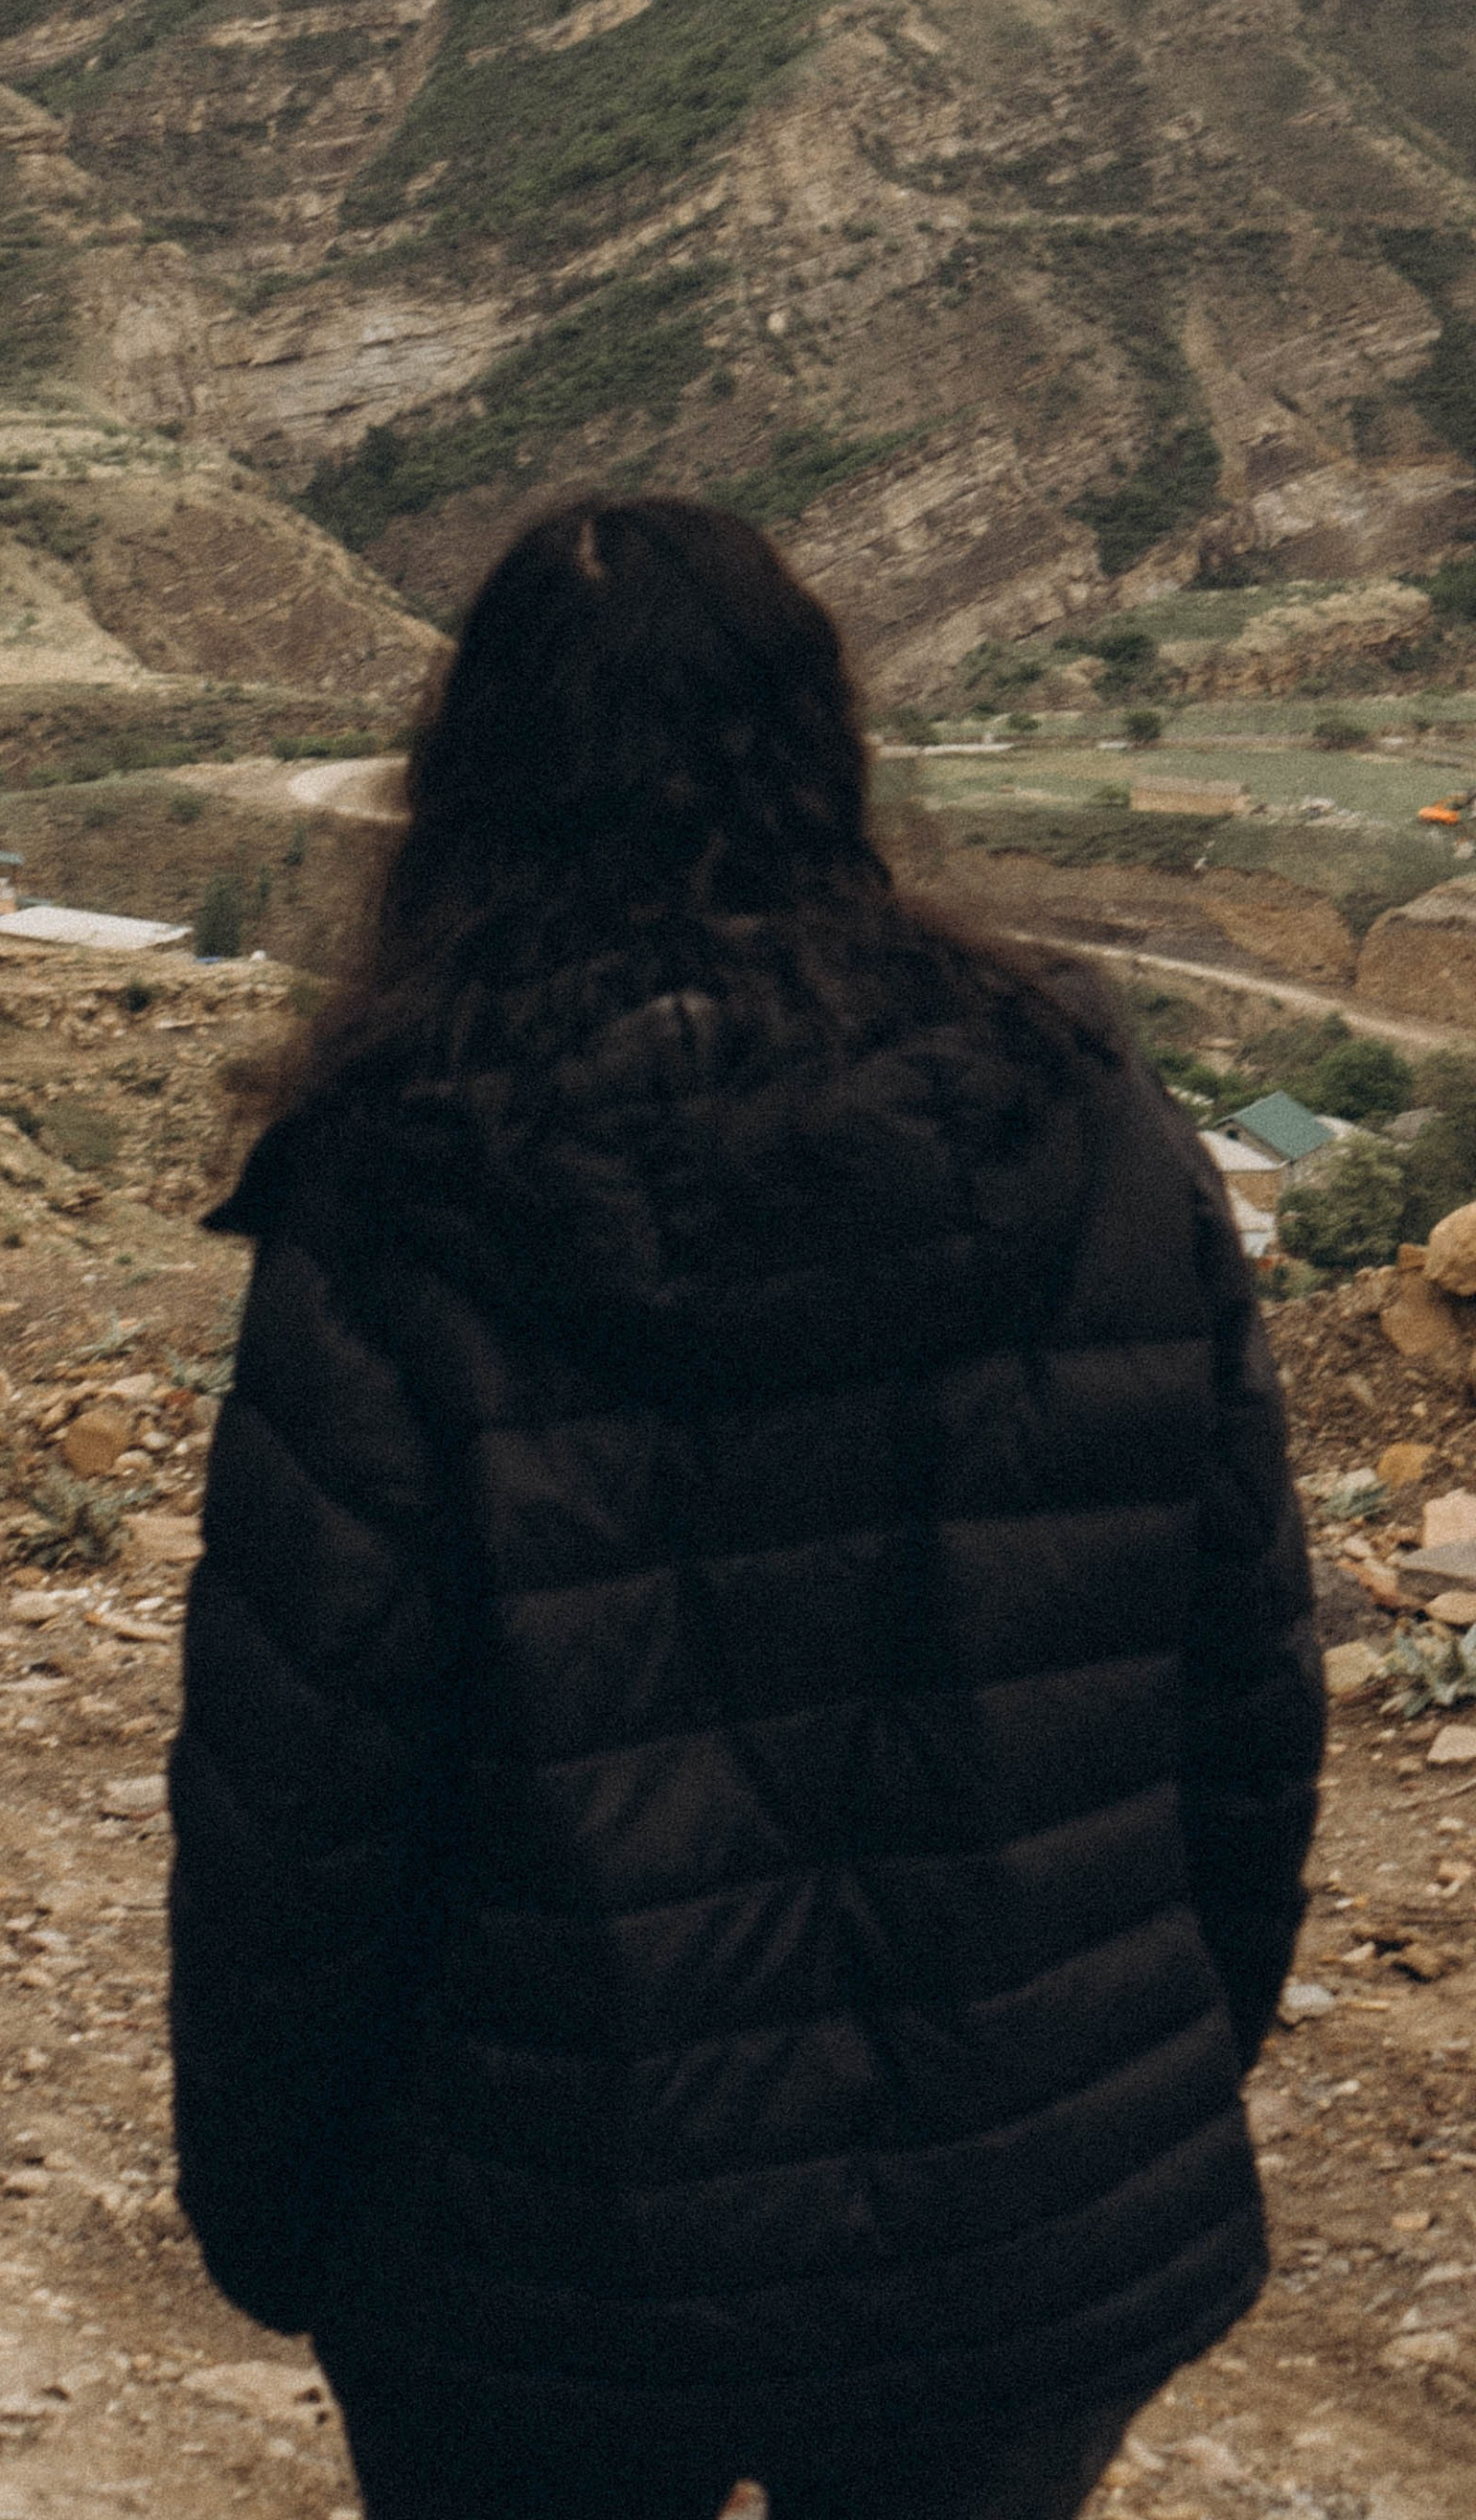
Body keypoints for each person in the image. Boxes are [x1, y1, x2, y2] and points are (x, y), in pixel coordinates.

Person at [166, 497, 1321, 2520]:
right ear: (824, 741)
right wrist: (1144, 2076)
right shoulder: (1088, 1110)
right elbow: (1239, 1683)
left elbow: (298, 1793)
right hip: (1024, 2209)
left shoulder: (397, 1186)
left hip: (545, 2250)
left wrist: (273, 2214)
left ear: (471, 779)